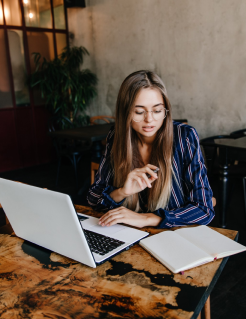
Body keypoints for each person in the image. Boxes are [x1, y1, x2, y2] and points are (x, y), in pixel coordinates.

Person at [87, 70, 214, 229]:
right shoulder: (116, 136)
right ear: (125, 112)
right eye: (139, 111)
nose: (149, 119)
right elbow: (93, 198)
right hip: (127, 234)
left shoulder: (184, 137)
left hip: (172, 236)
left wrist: (146, 219)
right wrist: (122, 192)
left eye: (157, 110)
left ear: (166, 110)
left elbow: (204, 208)